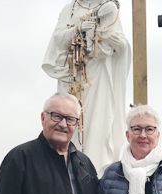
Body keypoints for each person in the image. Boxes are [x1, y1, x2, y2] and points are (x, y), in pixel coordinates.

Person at [43, 0, 131, 176]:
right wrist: (79, 28)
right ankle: (69, 165)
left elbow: (120, 46)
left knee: (100, 119)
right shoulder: (71, 9)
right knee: (69, 119)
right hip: (73, 74)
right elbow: (58, 38)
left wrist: (118, 43)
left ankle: (95, 168)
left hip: (99, 74)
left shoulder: (108, 8)